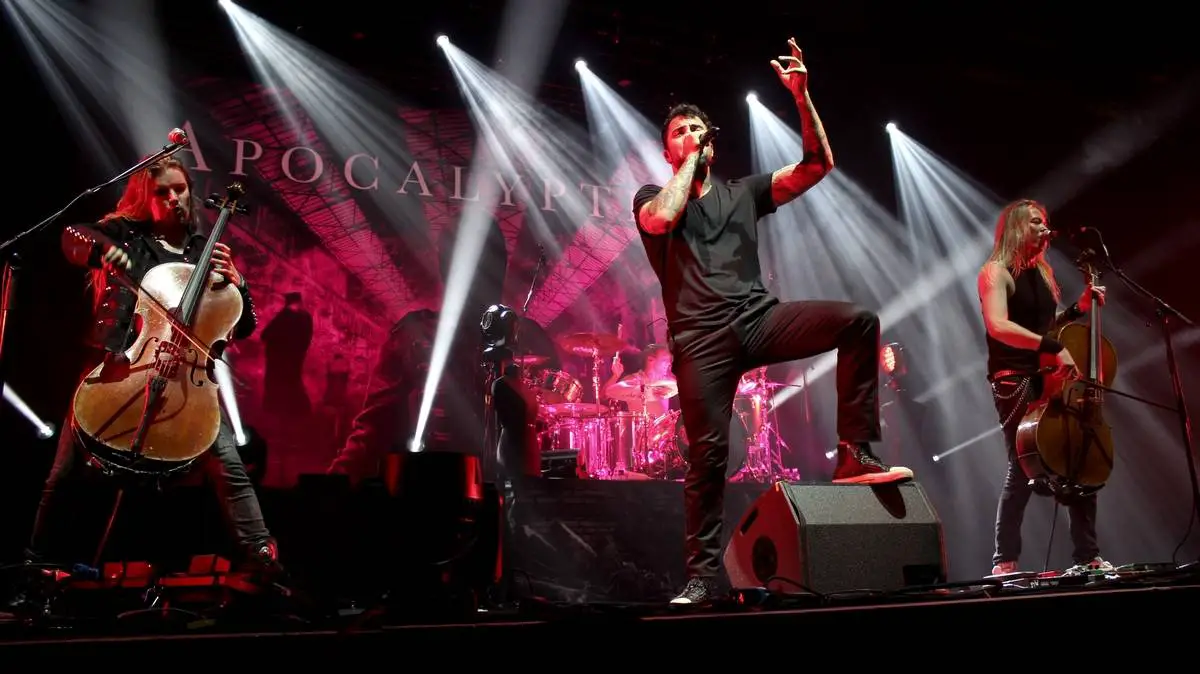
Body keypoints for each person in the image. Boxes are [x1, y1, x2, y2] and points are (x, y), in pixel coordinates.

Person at [632, 38, 913, 605]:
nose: (692, 136)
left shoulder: (743, 192)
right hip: (700, 342)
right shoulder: (653, 194)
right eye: (680, 132)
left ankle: (854, 451)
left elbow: (818, 165)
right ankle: (701, 576)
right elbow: (662, 220)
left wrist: (802, 97)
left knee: (859, 321)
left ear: (714, 143)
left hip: (757, 319)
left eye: (698, 130)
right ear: (667, 152)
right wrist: (687, 166)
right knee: (708, 458)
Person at [26, 157, 279, 571]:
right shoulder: (129, 236)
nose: (173, 198)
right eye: (162, 192)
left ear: (191, 194)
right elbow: (75, 237)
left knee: (229, 465)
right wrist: (105, 248)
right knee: (63, 473)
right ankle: (36, 564)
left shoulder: (203, 251)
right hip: (122, 365)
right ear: (147, 197)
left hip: (186, 376)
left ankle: (261, 557)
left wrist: (240, 284)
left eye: (180, 189)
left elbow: (242, 324)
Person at [976, 198, 1115, 577]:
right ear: (1017, 227)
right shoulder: (995, 271)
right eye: (1035, 221)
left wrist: (1078, 309)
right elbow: (998, 325)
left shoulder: (1040, 272)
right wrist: (1054, 347)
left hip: (1046, 375)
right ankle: (1004, 562)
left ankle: (1088, 555)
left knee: (1076, 455)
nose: (1043, 227)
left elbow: (1045, 325)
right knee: (1023, 465)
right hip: (1014, 378)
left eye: (1045, 222)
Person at [603, 343, 676, 419]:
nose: (669, 364)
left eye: (669, 360)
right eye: (665, 360)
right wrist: (615, 376)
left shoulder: (668, 382)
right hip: (642, 426)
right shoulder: (633, 380)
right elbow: (605, 396)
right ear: (650, 360)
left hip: (665, 426)